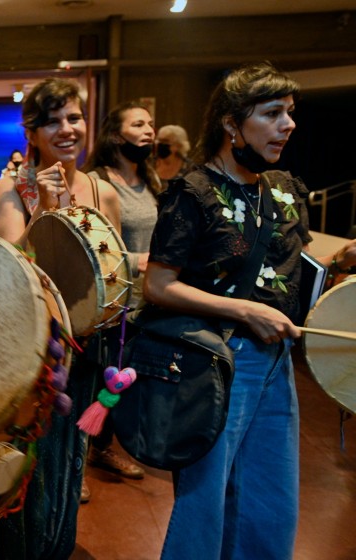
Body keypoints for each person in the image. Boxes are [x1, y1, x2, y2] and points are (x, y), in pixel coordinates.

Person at [145, 61, 356, 559]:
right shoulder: (192, 192)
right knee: (205, 501)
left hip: (275, 362)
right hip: (216, 362)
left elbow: (293, 268)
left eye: (290, 113)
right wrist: (243, 311)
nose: (289, 124)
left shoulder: (283, 187)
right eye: (273, 113)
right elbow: (157, 284)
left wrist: (345, 257)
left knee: (271, 500)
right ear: (231, 122)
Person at [0, 76, 120, 559]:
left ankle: (54, 549)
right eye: (51, 121)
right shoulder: (13, 189)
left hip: (86, 352)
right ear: (31, 132)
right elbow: (16, 274)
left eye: (74, 117)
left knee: (67, 469)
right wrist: (49, 211)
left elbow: (109, 277)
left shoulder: (103, 191)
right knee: (25, 469)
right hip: (34, 357)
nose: (66, 128)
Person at [81, 101, 161, 486]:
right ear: (116, 135)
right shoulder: (98, 182)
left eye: (151, 124)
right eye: (139, 124)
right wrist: (137, 259)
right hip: (112, 297)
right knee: (98, 377)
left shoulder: (152, 182)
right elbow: (91, 244)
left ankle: (102, 447)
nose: (149, 131)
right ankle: (79, 456)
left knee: (124, 379)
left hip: (148, 299)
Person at [154, 124, 196, 188]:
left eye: (165, 141)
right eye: (158, 140)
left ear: (179, 145)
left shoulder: (190, 168)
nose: (159, 144)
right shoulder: (149, 163)